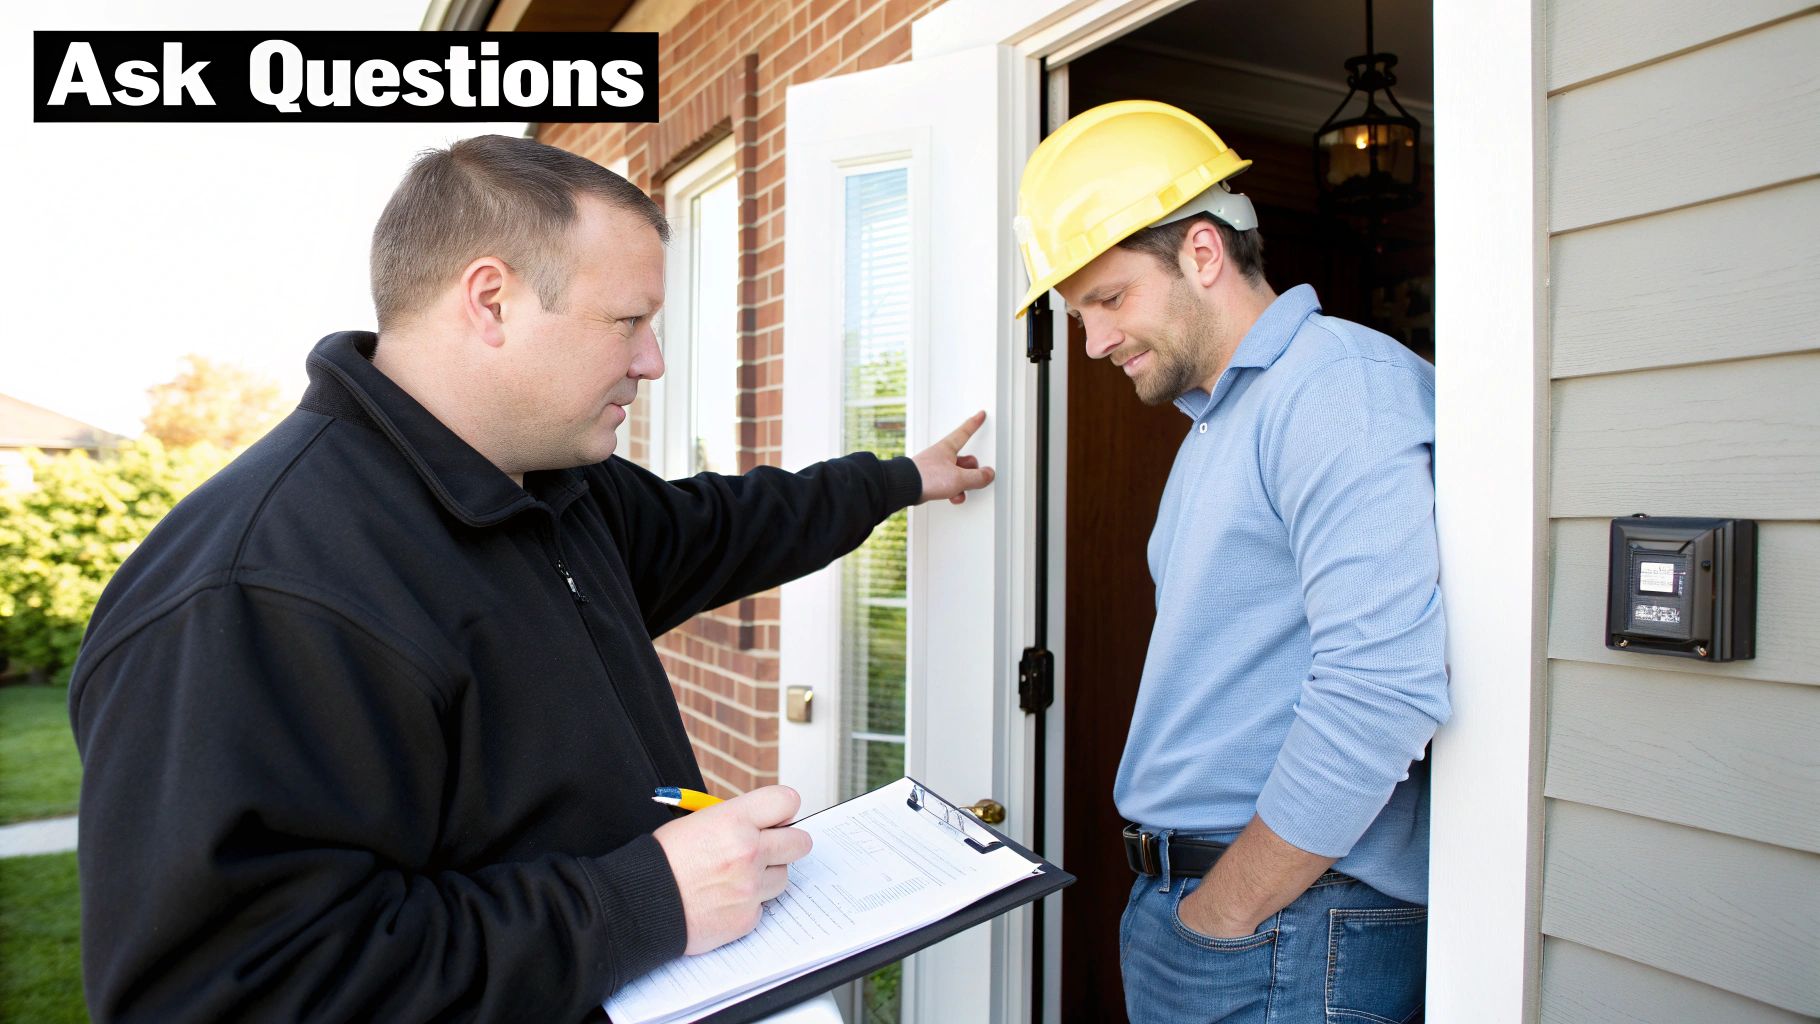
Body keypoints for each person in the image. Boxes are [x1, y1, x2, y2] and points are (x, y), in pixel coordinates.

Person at [69, 134, 994, 1022]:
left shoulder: (556, 493)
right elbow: (233, 991)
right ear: (490, 300)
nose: (653, 362)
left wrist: (901, 479)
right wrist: (644, 901)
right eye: (627, 321)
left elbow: (723, 525)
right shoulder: (260, 592)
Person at [1014, 101, 1448, 1021]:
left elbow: (1382, 687)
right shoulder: (1223, 419)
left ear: (1203, 254)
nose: (1091, 342)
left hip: (1286, 925)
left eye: (1110, 298)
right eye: (1078, 311)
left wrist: (1226, 909)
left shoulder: (1337, 388)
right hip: (1217, 910)